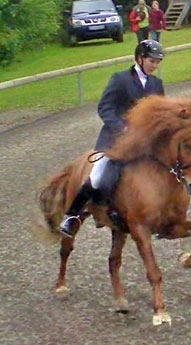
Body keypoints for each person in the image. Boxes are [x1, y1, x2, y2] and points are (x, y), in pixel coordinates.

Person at [58, 40, 165, 238]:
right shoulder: (120, 79)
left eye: (158, 62)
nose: (155, 65)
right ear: (140, 58)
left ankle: (162, 217)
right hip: (116, 141)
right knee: (99, 177)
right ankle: (71, 216)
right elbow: (104, 108)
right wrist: (122, 128)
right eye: (152, 61)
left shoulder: (156, 84)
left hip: (143, 144)